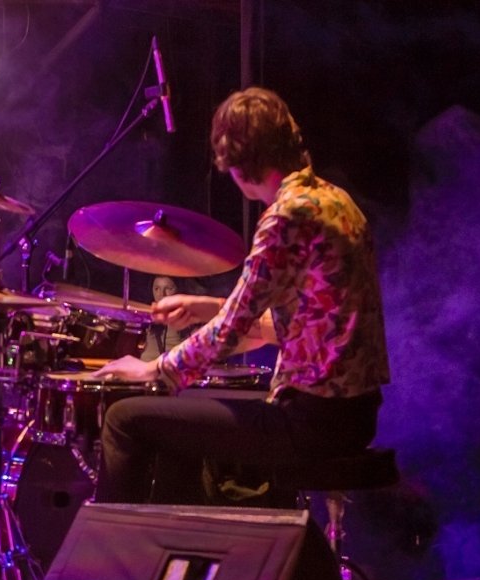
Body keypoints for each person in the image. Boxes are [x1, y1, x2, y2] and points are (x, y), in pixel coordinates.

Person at [94, 87, 390, 505]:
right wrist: (209, 307)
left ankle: (121, 548)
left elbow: (230, 330)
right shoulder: (335, 201)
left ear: (236, 162)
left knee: (125, 419)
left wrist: (155, 369)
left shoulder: (286, 216)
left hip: (311, 422)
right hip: (355, 414)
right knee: (176, 420)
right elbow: (310, 324)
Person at [140, 276, 199, 361]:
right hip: (145, 366)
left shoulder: (189, 319)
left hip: (173, 367)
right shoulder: (147, 316)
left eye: (168, 288)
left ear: (179, 290)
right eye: (157, 289)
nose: (161, 294)